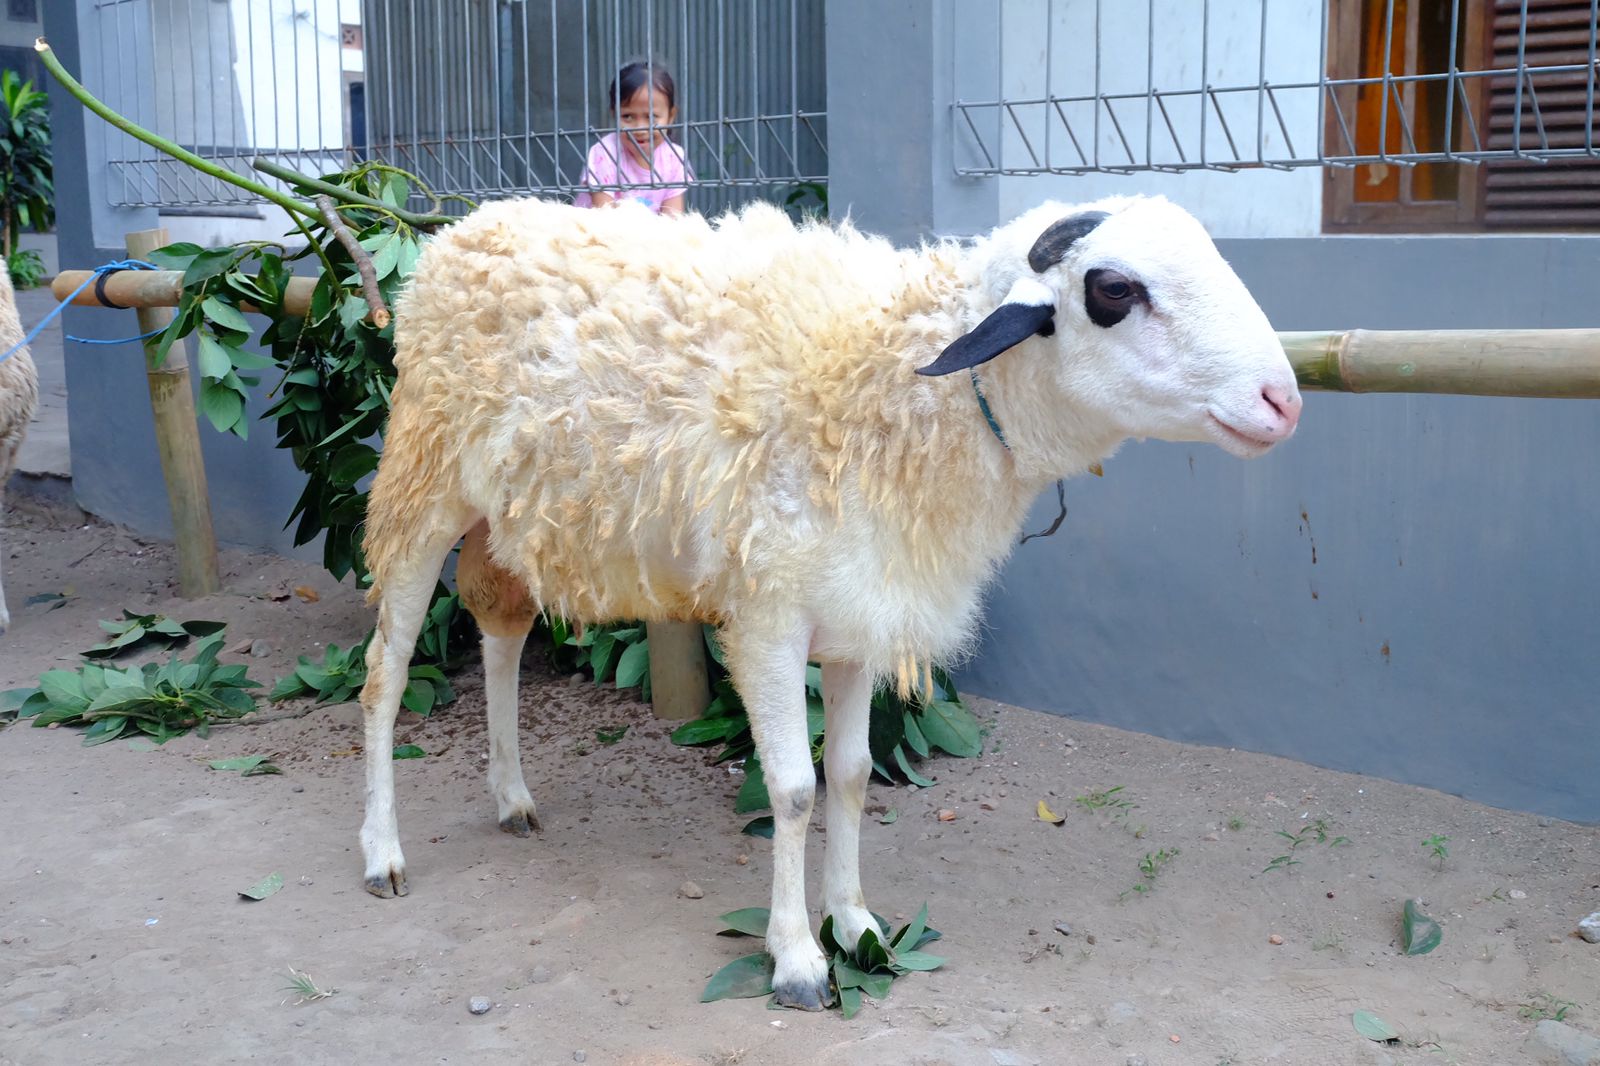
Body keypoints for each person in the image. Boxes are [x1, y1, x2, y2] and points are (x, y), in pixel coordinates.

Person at [575, 61, 691, 216]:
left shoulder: (674, 157)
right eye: (627, 116)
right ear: (614, 114)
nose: (639, 128)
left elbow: (673, 218)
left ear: (671, 116)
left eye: (651, 117)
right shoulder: (605, 152)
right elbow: (602, 220)